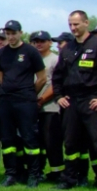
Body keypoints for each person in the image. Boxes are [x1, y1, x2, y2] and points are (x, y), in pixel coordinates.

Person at [52, 11, 97, 191]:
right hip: (72, 102)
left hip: (93, 100)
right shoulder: (67, 49)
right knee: (71, 143)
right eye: (70, 24)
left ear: (86, 23)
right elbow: (57, 76)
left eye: (76, 24)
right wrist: (59, 96)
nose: (73, 28)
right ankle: (69, 179)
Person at [0, 21, 47, 187]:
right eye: (8, 34)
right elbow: (0, 76)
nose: (10, 37)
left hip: (25, 101)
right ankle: (11, 173)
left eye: (13, 33)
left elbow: (42, 78)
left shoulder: (31, 51)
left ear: (20, 33)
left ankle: (33, 174)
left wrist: (29, 93)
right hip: (6, 100)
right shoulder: (2, 54)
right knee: (8, 139)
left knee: (29, 137)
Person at [30, 31, 64, 178]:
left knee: (51, 139)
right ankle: (39, 170)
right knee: (37, 141)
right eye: (36, 41)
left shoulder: (55, 59)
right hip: (32, 105)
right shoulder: (31, 59)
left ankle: (57, 171)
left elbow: (56, 84)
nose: (39, 44)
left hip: (50, 105)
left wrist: (42, 99)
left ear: (50, 42)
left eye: (42, 41)